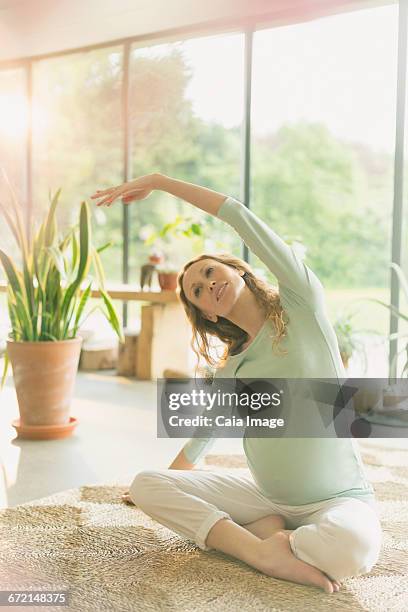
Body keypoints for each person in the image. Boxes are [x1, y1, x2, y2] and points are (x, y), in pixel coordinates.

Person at [91, 174, 382, 595]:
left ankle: (274, 538)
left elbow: (239, 216)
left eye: (210, 272)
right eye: (196, 290)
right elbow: (202, 439)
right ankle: (260, 550)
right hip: (265, 498)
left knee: (355, 549)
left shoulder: (303, 307)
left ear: (237, 269)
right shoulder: (232, 367)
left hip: (338, 498)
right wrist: (166, 489)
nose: (207, 284)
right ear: (207, 314)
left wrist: (159, 182)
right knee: (145, 483)